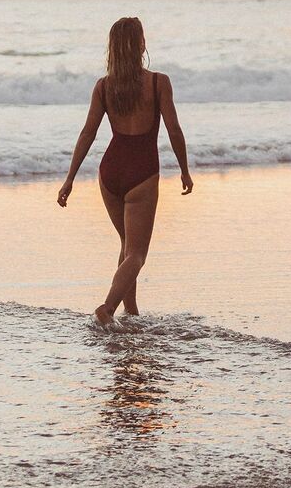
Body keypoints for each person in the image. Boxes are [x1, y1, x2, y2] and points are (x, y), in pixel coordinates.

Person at [57, 16, 193, 324]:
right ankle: (107, 308)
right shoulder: (158, 82)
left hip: (110, 172)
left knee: (126, 246)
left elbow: (87, 133)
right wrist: (184, 170)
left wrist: (70, 178)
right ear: (140, 44)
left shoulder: (104, 87)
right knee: (137, 254)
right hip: (142, 171)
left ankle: (131, 313)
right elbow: (174, 130)